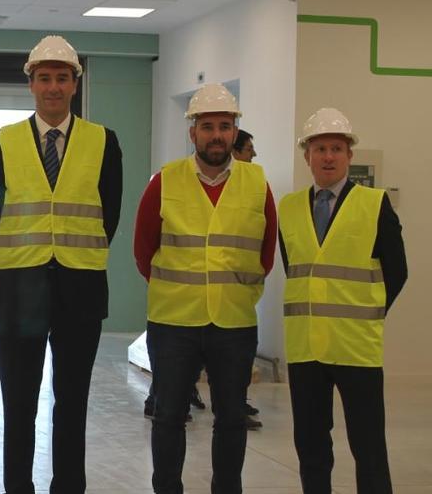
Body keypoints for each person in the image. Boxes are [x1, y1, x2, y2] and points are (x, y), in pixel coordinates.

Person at [0, 35, 123, 493]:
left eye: (62, 78)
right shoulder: (2, 142)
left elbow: (110, 213)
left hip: (80, 288)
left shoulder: (104, 142)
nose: (53, 87)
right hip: (20, 288)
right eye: (45, 78)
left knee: (73, 401)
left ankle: (69, 486)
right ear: (31, 84)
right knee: (18, 402)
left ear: (75, 84)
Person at [133, 83, 277, 493]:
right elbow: (144, 249)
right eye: (208, 126)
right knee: (168, 415)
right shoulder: (164, 182)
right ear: (192, 132)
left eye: (225, 126)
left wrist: (242, 290)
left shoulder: (256, 183)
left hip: (233, 320)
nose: (217, 135)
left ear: (235, 132)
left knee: (231, 417)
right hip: (173, 321)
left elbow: (266, 251)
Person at [279, 107, 407, 494]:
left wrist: (367, 314)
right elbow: (296, 268)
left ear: (350, 155)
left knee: (368, 448)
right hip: (306, 349)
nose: (328, 157)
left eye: (336, 148)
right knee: (312, 447)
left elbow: (397, 272)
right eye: (320, 149)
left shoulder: (374, 204)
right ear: (307, 156)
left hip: (355, 348)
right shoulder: (289, 208)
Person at [231, 128, 264, 431]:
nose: (253, 153)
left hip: (237, 306)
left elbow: (266, 250)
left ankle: (236, 405)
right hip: (182, 305)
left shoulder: (256, 186)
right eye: (249, 148)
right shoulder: (176, 180)